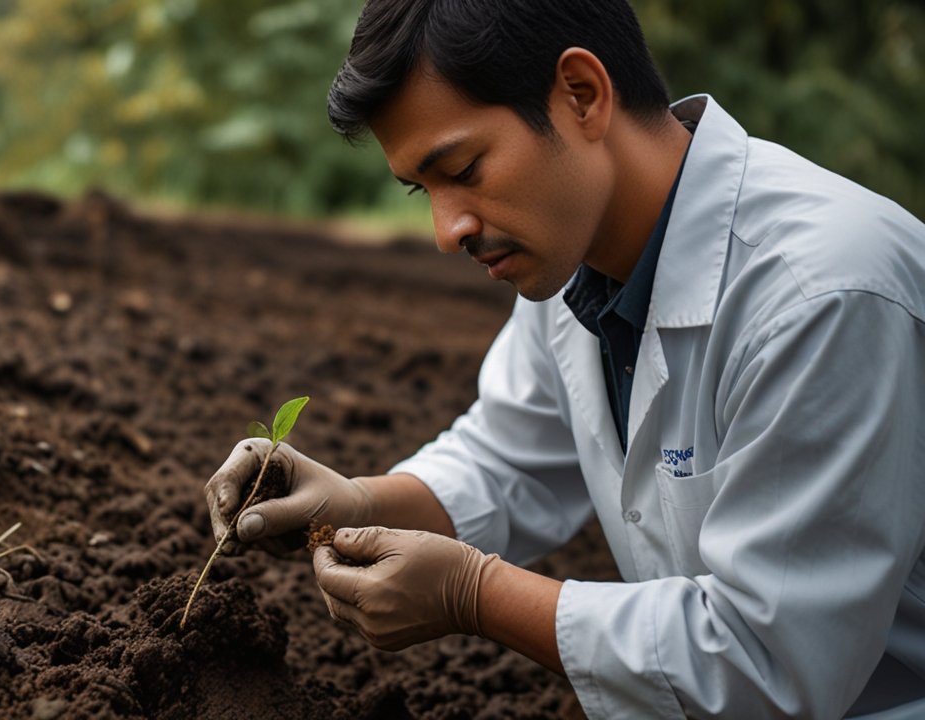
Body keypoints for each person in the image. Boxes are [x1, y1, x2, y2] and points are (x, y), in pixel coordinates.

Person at [203, 0, 925, 717]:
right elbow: (508, 457)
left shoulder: (821, 293)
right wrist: (359, 503)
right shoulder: (576, 263)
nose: (447, 230)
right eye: (425, 190)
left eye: (463, 168)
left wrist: (474, 595)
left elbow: (768, 658)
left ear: (582, 95)